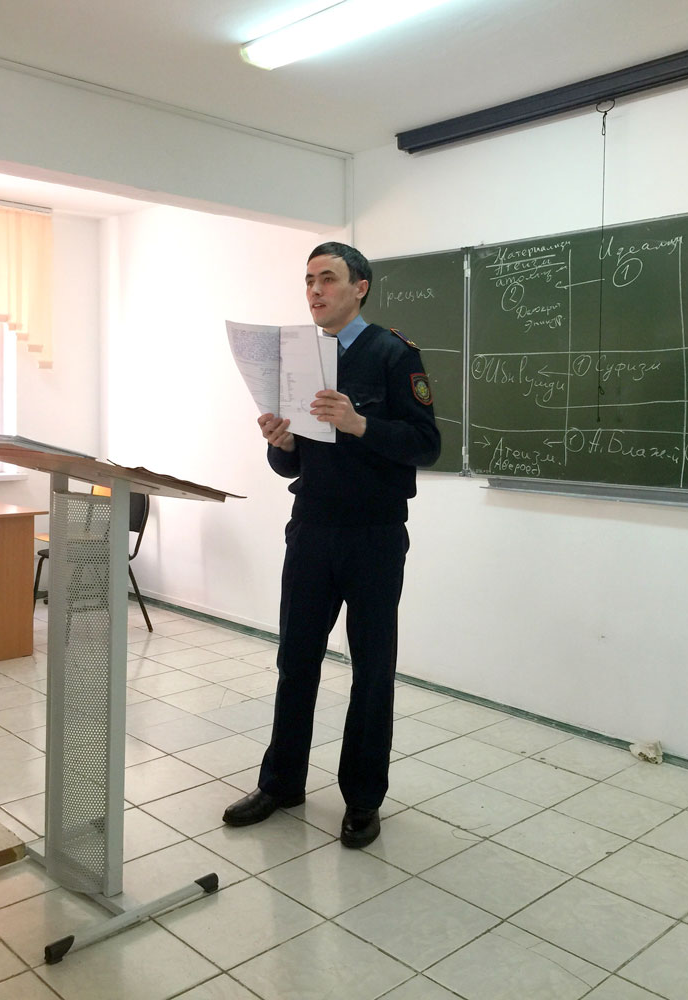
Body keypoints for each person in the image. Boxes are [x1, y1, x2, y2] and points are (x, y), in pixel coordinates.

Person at [223, 242, 440, 847]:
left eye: (328, 279)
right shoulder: (300, 357)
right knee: (296, 660)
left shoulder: (394, 354)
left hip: (374, 535)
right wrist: (282, 442)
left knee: (371, 669)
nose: (315, 291)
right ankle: (281, 783)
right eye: (309, 281)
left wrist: (361, 423)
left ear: (359, 287)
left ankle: (363, 799)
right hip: (312, 530)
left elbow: (426, 444)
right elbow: (289, 464)